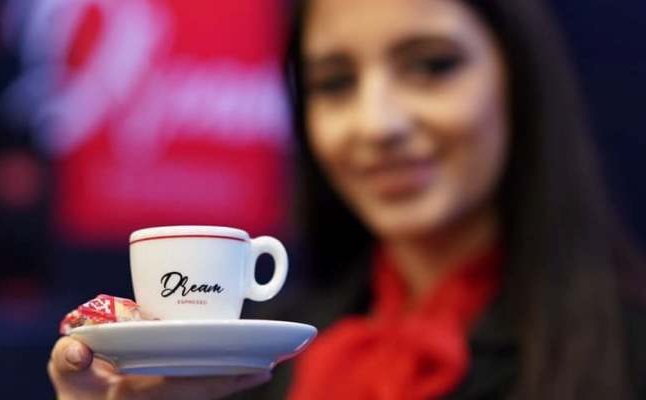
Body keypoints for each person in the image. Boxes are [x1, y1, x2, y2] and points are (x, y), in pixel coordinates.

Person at [48, 0, 646, 398]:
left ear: (517, 78)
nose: (376, 124)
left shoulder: (625, 349)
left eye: (432, 66)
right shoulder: (253, 366)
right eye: (334, 83)